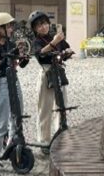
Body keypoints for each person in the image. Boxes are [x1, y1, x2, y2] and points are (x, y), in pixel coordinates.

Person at [29, 11, 73, 155]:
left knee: (62, 106)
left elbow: (66, 48)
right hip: (46, 73)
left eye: (45, 23)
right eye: (39, 25)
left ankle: (60, 136)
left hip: (58, 72)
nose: (43, 27)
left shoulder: (54, 37)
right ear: (35, 29)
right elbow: (40, 53)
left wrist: (67, 51)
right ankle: (44, 141)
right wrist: (55, 42)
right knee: (45, 108)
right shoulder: (37, 41)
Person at [0, 13, 27, 156]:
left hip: (14, 80)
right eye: (8, 26)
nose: (11, 29)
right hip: (2, 82)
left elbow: (22, 64)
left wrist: (22, 54)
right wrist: (12, 53)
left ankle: (11, 148)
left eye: (11, 26)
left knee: (17, 116)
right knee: (1, 120)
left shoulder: (11, 44)